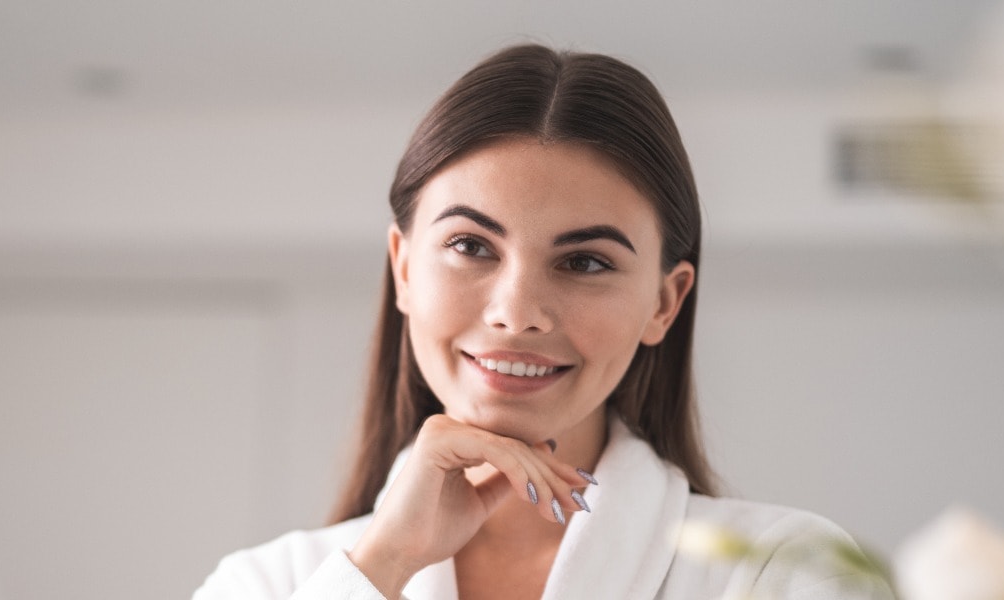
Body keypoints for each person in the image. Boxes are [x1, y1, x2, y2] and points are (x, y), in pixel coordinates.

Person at [193, 44, 890, 600]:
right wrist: (386, 562)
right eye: (470, 247)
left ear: (663, 303)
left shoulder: (782, 573)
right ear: (404, 268)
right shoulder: (268, 584)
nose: (517, 314)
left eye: (585, 262)